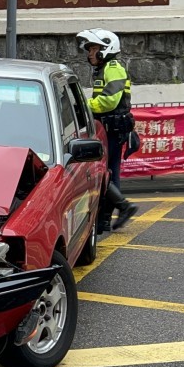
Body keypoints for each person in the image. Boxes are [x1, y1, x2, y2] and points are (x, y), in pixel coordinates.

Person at [75, 28, 139, 234]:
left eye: (93, 49)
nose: (89, 53)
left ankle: (122, 207)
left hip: (114, 128)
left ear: (106, 49)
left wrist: (84, 105)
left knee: (105, 173)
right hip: (109, 127)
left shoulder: (113, 68)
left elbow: (109, 101)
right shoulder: (105, 69)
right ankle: (105, 219)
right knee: (108, 172)